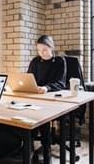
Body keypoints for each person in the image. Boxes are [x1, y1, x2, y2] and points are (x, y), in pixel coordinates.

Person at [27, 35, 67, 163]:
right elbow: (29, 79)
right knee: (27, 118)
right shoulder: (35, 61)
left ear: (51, 47)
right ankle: (30, 151)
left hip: (53, 100)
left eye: (44, 50)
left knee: (42, 119)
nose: (41, 53)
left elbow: (61, 83)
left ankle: (46, 151)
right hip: (36, 98)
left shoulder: (60, 61)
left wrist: (47, 88)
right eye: (38, 50)